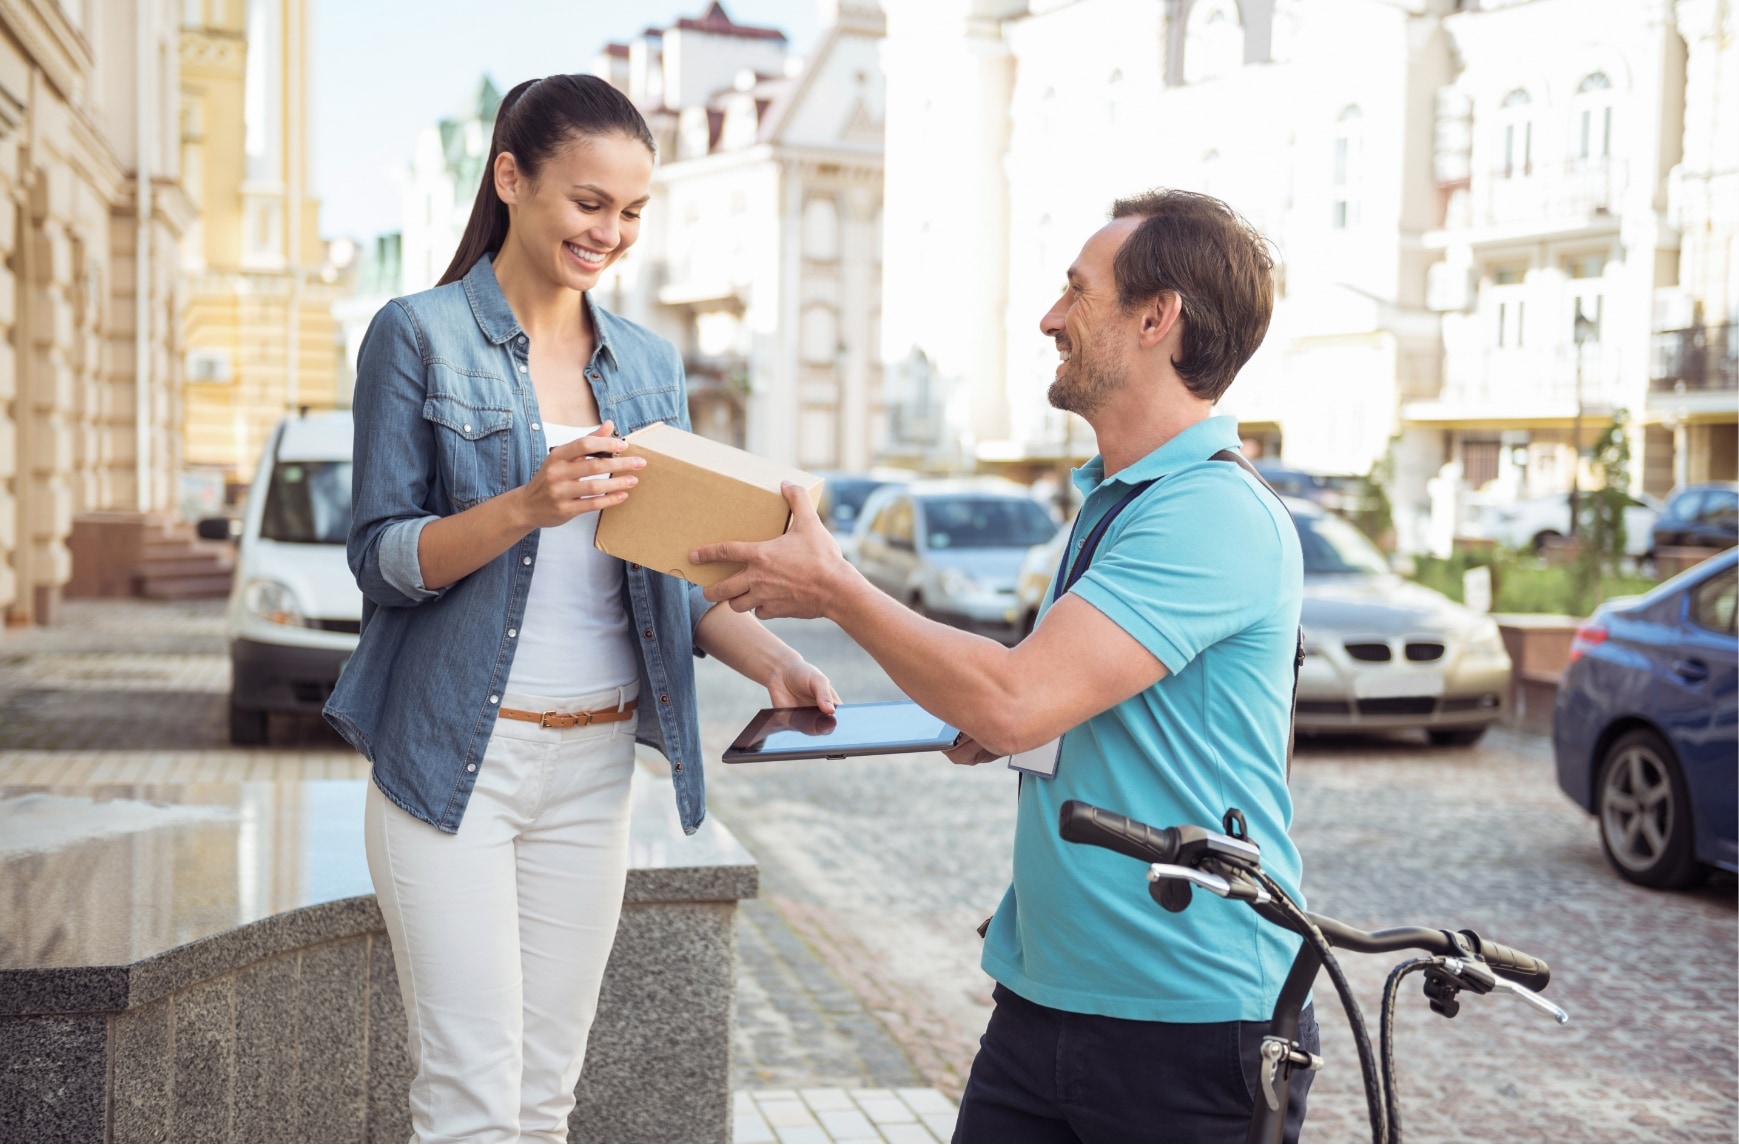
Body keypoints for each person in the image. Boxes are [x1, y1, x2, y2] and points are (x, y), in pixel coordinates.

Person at [693, 190, 1315, 1143]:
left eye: (1076, 292)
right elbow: (1051, 703)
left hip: (1186, 1020)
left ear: (1157, 318)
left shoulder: (1209, 511)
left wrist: (839, 590)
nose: (1049, 318)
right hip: (1048, 994)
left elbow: (1018, 698)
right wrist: (989, 716)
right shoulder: (1118, 499)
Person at [323, 74, 838, 1144]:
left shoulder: (646, 363)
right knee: (468, 1100)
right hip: (453, 762)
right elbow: (379, 557)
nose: (610, 231)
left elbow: (669, 577)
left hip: (593, 768)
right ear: (510, 178)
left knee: (543, 1098)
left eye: (632, 210)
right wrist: (526, 504)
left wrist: (770, 659)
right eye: (588, 201)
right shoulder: (416, 335)